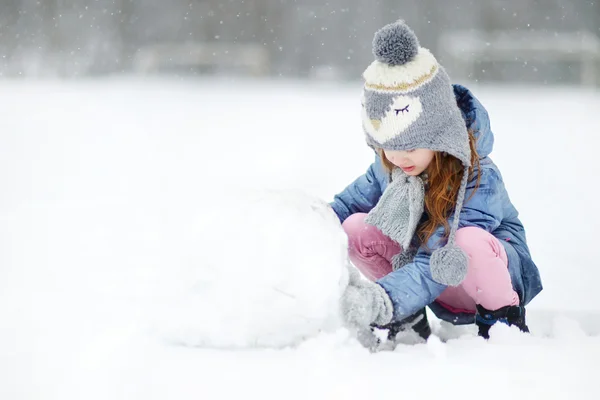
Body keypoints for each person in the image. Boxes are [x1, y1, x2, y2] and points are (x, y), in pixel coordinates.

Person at [331, 20, 543, 347]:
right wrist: (305, 223)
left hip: (482, 279)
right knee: (356, 228)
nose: (400, 158)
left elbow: (437, 260)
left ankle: (503, 329)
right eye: (390, 145)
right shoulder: (392, 167)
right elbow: (344, 206)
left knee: (468, 241)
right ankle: (407, 321)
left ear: (438, 134)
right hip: (427, 286)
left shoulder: (478, 177)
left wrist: (381, 300)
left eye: (412, 146)